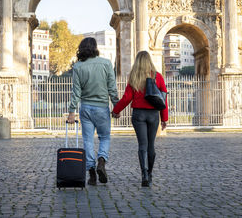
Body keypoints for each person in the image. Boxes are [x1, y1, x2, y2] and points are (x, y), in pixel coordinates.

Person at [67, 37, 119, 186]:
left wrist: (72, 111)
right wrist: (116, 107)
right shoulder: (106, 63)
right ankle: (101, 161)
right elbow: (112, 88)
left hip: (86, 108)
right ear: (95, 48)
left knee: (88, 140)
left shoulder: (78, 66)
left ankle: (91, 174)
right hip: (102, 107)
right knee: (105, 137)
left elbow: (76, 91)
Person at [112, 51, 168, 187]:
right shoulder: (157, 76)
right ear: (149, 61)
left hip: (139, 115)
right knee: (151, 145)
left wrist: (115, 111)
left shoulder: (134, 76)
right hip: (154, 114)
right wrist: (164, 118)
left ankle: (144, 174)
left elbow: (126, 98)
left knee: (142, 145)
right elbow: (164, 98)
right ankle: (150, 174)